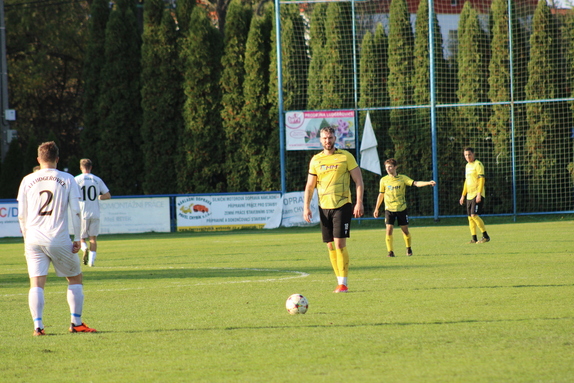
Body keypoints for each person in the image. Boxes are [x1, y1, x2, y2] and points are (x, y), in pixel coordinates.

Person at [17, 141, 97, 335]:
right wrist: (78, 238)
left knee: (36, 283)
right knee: (75, 278)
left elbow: (21, 214)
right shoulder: (67, 178)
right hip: (58, 237)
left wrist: (26, 237)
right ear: (57, 159)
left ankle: (38, 326)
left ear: (38, 159)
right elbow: (76, 211)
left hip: (33, 238)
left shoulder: (27, 180)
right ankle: (76, 323)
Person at [303, 126, 364, 293]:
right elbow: (310, 185)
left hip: (342, 205)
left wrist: (359, 203)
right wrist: (306, 206)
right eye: (324, 138)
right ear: (320, 140)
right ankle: (338, 281)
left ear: (335, 138)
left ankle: (343, 283)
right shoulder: (316, 160)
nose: (327, 141)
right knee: (329, 245)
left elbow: (358, 181)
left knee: (339, 243)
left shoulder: (346, 157)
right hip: (324, 207)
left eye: (330, 138)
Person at [373, 158, 436, 257]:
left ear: (395, 167)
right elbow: (381, 194)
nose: (388, 169)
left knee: (405, 231)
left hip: (401, 208)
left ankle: (409, 248)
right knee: (388, 230)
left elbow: (415, 183)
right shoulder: (383, 180)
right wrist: (376, 208)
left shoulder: (402, 178)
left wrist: (428, 183)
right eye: (386, 167)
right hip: (389, 209)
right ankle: (390, 252)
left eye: (390, 167)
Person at [75, 159, 111, 267]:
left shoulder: (76, 179)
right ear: (91, 167)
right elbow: (108, 195)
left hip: (82, 213)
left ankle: (84, 248)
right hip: (95, 213)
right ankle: (91, 262)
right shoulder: (97, 179)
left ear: (81, 167)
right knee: (93, 239)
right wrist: (98, 197)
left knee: (81, 238)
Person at [459, 147, 491, 244]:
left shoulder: (478, 164)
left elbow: (481, 179)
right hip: (469, 195)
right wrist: (463, 195)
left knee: (474, 215)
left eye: (469, 154)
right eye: (465, 155)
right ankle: (474, 238)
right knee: (470, 217)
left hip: (476, 194)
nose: (467, 157)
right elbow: (466, 181)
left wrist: (479, 194)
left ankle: (486, 236)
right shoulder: (467, 166)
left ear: (473, 154)